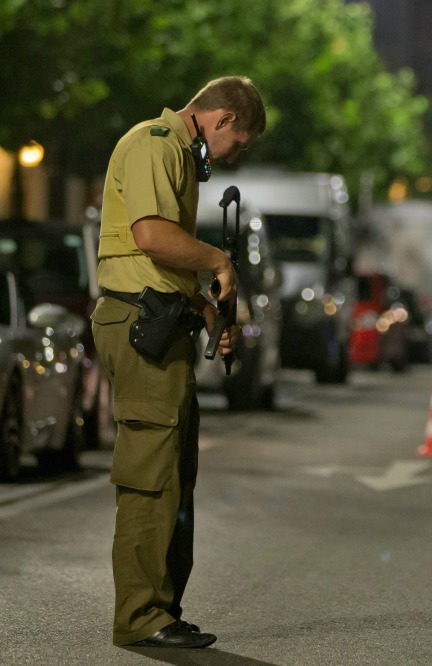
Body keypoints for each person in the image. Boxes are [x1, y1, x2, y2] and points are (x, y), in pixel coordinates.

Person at [90, 76, 266, 649]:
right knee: (150, 476)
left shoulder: (179, 157)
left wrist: (210, 313)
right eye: (237, 143)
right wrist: (219, 261)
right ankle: (140, 616)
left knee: (172, 476)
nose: (234, 155)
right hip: (139, 325)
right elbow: (151, 237)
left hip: (161, 324)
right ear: (220, 119)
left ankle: (161, 610)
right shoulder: (155, 143)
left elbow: (165, 265)